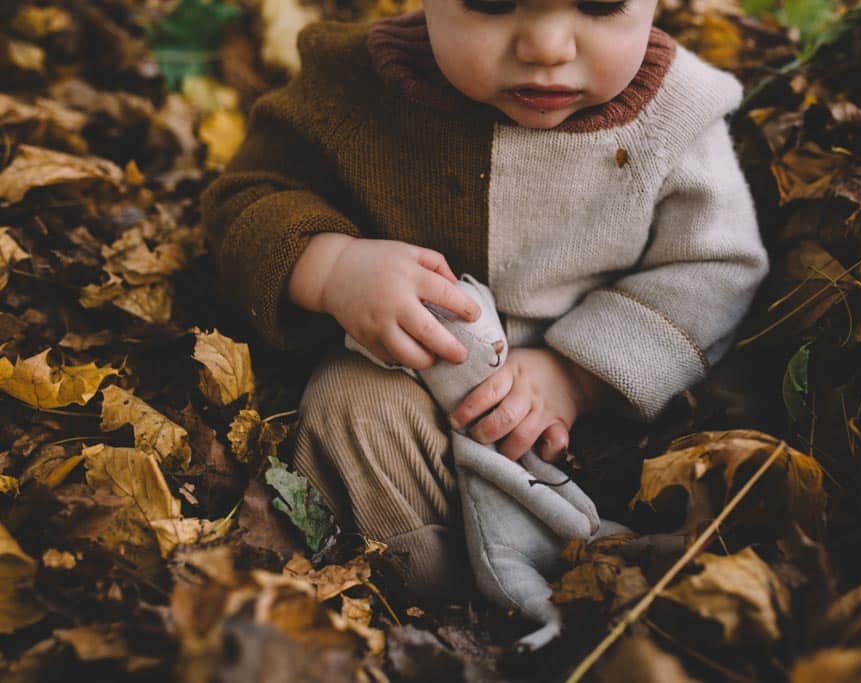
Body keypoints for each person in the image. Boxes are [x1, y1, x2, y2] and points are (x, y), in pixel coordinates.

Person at [199, 0, 769, 601]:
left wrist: (577, 378)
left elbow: (717, 266)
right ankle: (434, 592)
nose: (547, 46)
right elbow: (246, 197)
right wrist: (331, 264)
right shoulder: (353, 87)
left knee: (690, 448)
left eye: (600, 4)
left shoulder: (676, 118)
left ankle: (598, 573)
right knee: (350, 409)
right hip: (410, 376)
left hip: (594, 416)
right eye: (493, 3)